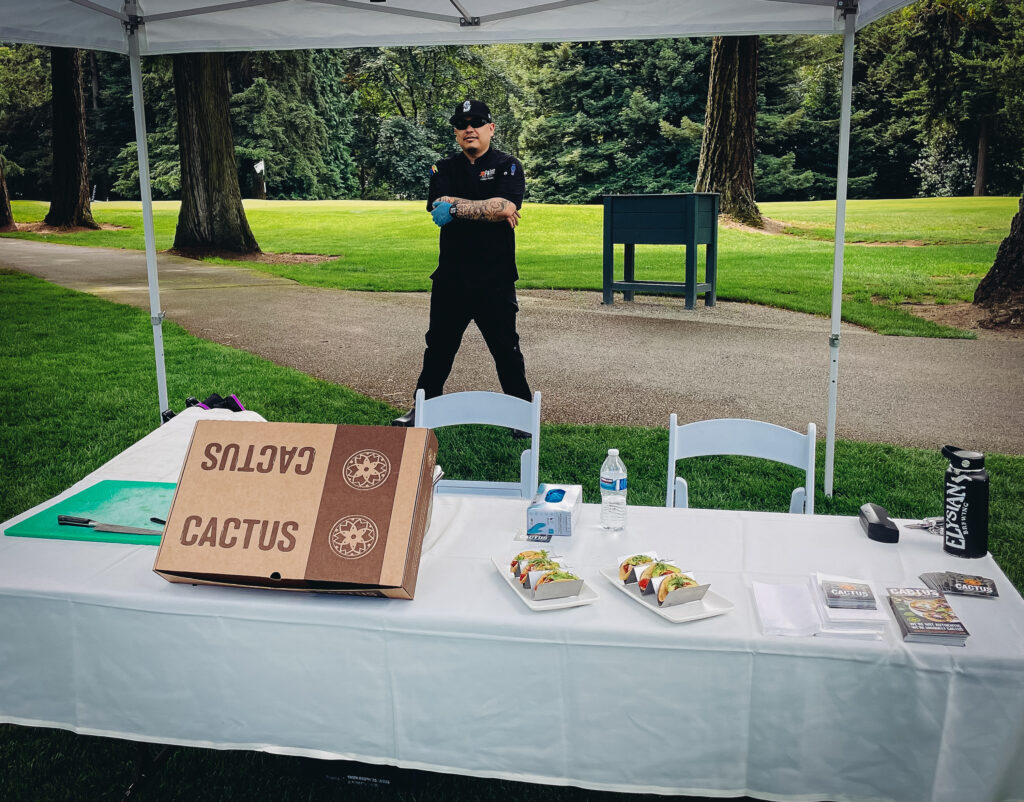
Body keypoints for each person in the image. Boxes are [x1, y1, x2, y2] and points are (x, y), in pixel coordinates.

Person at [392, 99, 532, 436]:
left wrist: (456, 208)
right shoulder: (443, 168)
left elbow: (506, 206)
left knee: (506, 349)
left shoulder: (508, 166)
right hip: (451, 279)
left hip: (495, 279)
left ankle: (522, 416)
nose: (470, 129)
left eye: (477, 122)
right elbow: (439, 206)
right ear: (456, 133)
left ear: (490, 128)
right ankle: (421, 411)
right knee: (437, 349)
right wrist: (486, 208)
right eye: (462, 124)